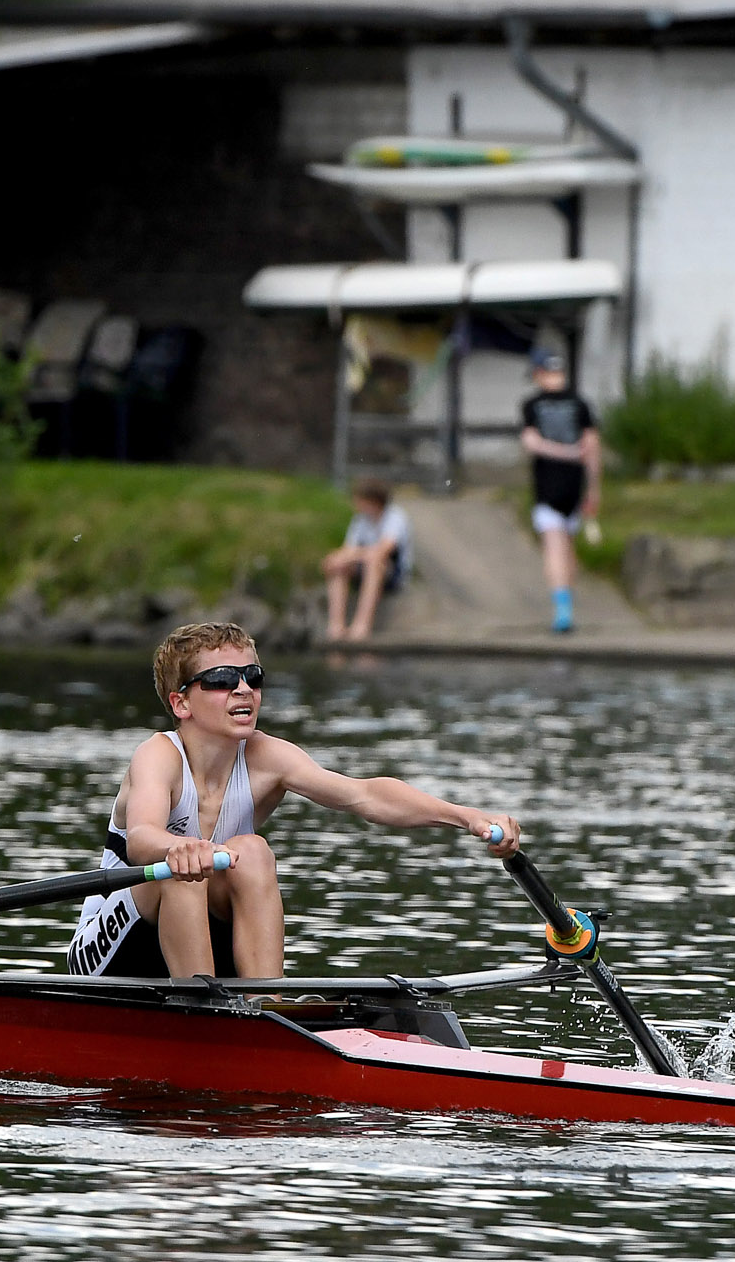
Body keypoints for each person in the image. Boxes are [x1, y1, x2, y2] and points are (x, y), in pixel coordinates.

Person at [65, 622, 522, 979]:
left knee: (254, 852)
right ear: (181, 704)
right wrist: (178, 850)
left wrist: (465, 817)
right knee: (186, 870)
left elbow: (363, 795)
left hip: (197, 931)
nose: (243, 689)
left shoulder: (267, 756)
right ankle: (201, 1013)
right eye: (222, 679)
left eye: (252, 676)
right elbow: (143, 838)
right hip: (112, 948)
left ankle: (266, 1005)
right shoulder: (159, 755)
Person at [518, 350, 600, 635]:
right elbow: (592, 449)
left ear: (539, 373)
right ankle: (567, 606)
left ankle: (562, 609)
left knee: (554, 547)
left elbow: (531, 443)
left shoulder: (532, 405)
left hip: (548, 484)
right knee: (566, 545)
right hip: (575, 484)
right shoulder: (581, 404)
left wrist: (564, 452)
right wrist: (594, 489)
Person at [321, 478, 411, 643]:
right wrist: (337, 559)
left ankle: (362, 626)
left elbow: (383, 551)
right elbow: (348, 550)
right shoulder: (360, 520)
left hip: (390, 574)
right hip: (364, 568)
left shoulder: (395, 517)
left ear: (373, 501)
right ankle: (336, 626)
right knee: (339, 566)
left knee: (374, 563)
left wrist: (353, 554)